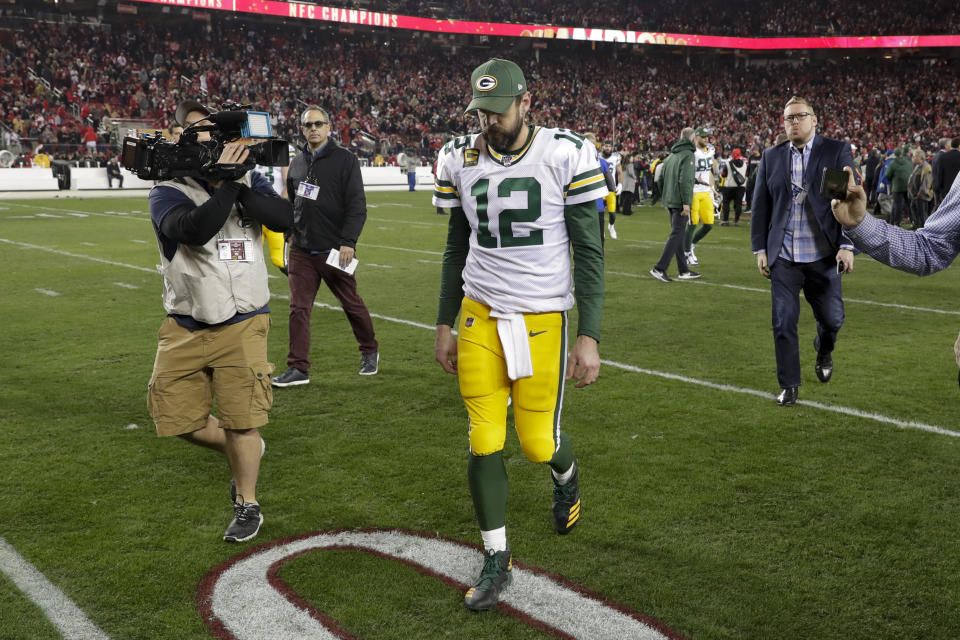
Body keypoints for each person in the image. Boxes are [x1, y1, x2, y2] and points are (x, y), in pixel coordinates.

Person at [432, 58, 604, 613]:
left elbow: (590, 250)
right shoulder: (460, 156)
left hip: (541, 318)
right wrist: (444, 321)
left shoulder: (564, 152)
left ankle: (566, 475)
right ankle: (496, 556)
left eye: (497, 111)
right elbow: (456, 245)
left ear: (526, 102)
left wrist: (590, 335)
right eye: (479, 112)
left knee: (537, 444)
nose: (487, 123)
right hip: (480, 313)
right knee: (484, 437)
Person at [146, 99, 293, 542]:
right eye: (201, 133)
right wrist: (227, 186)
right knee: (177, 421)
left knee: (242, 420)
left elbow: (286, 219)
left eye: (216, 134)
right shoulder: (167, 191)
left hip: (245, 320)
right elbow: (192, 228)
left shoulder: (249, 184)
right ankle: (245, 450)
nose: (213, 143)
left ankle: (247, 503)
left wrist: (239, 184)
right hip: (187, 324)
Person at [750, 96, 855, 406]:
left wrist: (847, 245)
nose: (793, 122)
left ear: (814, 119)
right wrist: (760, 248)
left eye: (799, 116)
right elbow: (761, 206)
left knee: (833, 319)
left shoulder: (834, 151)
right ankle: (789, 384)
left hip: (823, 256)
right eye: (788, 118)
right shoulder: (772, 156)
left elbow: (848, 203)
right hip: (783, 256)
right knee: (783, 320)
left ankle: (824, 349)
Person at [272, 105, 379, 387]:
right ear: (302, 129)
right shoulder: (297, 162)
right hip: (302, 250)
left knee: (351, 304)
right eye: (309, 125)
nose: (314, 129)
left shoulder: (345, 160)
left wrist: (348, 242)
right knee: (298, 308)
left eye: (319, 124)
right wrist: (289, 233)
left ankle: (369, 350)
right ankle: (298, 368)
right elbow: (293, 201)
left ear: (329, 127)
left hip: (334, 250)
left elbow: (357, 205)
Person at [650, 127, 700, 282]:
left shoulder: (672, 155)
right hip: (679, 201)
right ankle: (659, 268)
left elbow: (661, 178)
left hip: (671, 199)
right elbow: (684, 180)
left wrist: (665, 198)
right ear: (692, 139)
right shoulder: (688, 155)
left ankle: (683, 270)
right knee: (677, 234)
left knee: (678, 234)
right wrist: (686, 202)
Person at [684, 126, 716, 266]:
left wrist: (712, 187)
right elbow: (686, 172)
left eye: (707, 137)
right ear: (696, 137)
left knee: (709, 224)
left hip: (706, 192)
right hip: (693, 192)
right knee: (693, 223)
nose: (706, 139)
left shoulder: (710, 150)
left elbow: (709, 172)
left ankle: (691, 245)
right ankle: (686, 254)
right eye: (703, 137)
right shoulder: (691, 152)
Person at [906, 148, 934, 229]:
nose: (913, 158)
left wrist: (921, 192)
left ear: (920, 157)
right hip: (915, 194)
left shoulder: (926, 167)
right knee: (914, 210)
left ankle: (924, 228)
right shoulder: (917, 166)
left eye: (914, 156)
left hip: (921, 195)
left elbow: (926, 182)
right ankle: (917, 225)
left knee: (922, 213)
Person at [720, 148, 747, 226]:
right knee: (738, 204)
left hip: (729, 186)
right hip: (741, 187)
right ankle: (736, 221)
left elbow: (723, 174)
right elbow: (746, 174)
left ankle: (725, 221)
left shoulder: (728, 163)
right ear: (740, 155)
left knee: (726, 204)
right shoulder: (745, 164)